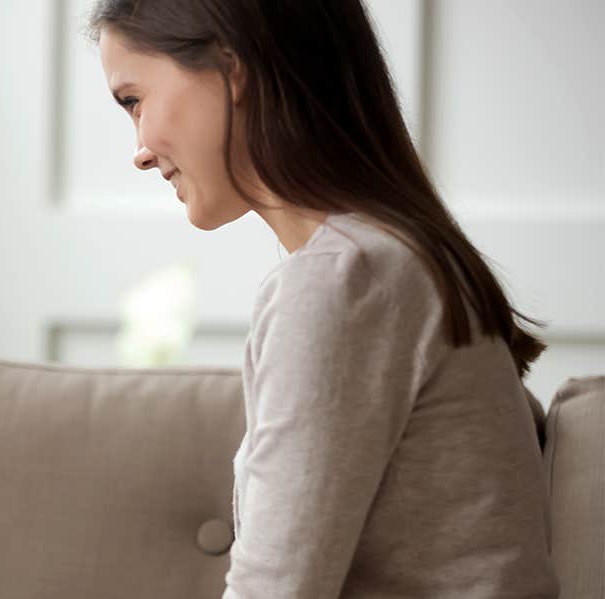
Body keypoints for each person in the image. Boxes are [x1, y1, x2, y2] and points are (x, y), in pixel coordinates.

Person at [89, 1, 559, 597]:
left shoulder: (345, 279)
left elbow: (276, 589)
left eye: (135, 100)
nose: (140, 151)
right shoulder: (400, 262)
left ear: (232, 69)